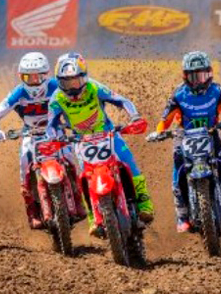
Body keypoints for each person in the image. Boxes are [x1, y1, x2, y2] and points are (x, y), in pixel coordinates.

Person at [46, 53, 154, 236]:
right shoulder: (56, 99)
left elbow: (122, 100)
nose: (73, 87)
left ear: (84, 77)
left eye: (76, 81)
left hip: (108, 134)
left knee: (129, 163)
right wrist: (53, 139)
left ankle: (144, 204)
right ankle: (93, 218)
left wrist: (134, 117)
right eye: (67, 83)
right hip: (81, 141)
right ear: (59, 82)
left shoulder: (94, 87)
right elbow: (51, 124)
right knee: (84, 177)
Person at [148, 51, 221, 233]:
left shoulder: (217, 90)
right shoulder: (178, 94)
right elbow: (165, 119)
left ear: (210, 73)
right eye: (194, 76)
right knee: (179, 169)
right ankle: (182, 214)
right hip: (184, 136)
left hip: (210, 133)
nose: (199, 81)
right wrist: (159, 132)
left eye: (203, 75)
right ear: (185, 76)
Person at [0, 53, 82, 229]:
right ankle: (32, 212)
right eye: (28, 77)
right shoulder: (18, 93)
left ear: (46, 74)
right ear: (21, 76)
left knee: (71, 158)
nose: (33, 81)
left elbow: (77, 103)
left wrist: (74, 122)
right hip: (30, 134)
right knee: (24, 165)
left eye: (38, 76)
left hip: (56, 130)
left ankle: (79, 200)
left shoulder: (57, 86)